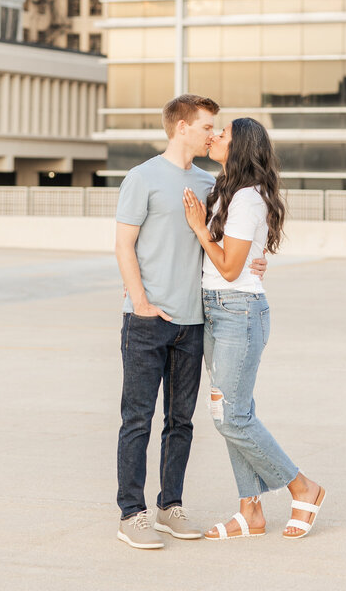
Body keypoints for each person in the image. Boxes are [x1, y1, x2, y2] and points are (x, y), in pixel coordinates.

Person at [114, 94, 267, 549]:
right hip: (146, 320)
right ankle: (131, 513)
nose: (213, 135)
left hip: (194, 323)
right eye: (207, 127)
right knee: (137, 420)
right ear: (181, 127)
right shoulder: (141, 178)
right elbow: (124, 246)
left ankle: (169, 507)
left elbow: (233, 243)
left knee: (181, 422)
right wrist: (140, 301)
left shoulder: (209, 184)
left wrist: (259, 262)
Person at [183, 116, 325, 541]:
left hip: (237, 311)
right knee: (229, 412)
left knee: (233, 416)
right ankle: (250, 511)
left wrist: (198, 229)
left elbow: (228, 268)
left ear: (240, 145)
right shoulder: (229, 191)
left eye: (222, 133)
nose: (214, 136)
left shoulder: (246, 199)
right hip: (218, 310)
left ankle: (304, 487)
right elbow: (236, 259)